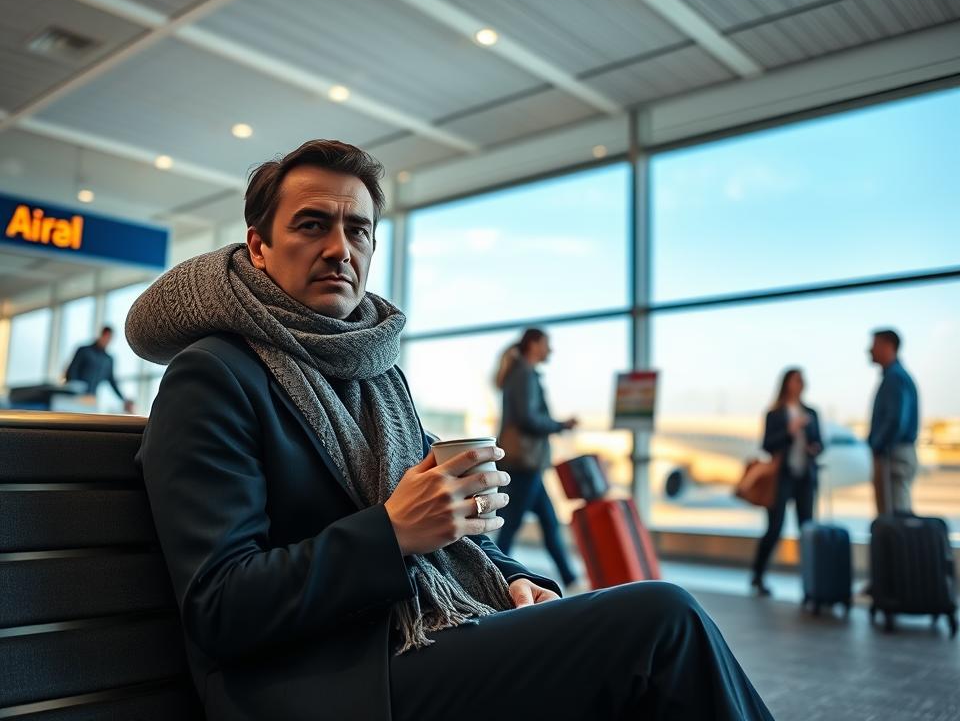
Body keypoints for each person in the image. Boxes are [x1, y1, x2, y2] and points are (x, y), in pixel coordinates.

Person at [129, 139, 773, 721]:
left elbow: (451, 541)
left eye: (359, 230)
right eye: (311, 225)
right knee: (660, 620)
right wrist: (389, 534)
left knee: (643, 646)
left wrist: (515, 578)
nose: (339, 249)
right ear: (258, 248)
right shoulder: (213, 375)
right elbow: (219, 607)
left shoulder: (377, 374)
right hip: (320, 681)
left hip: (421, 639)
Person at [494, 329, 579, 589]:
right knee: (510, 525)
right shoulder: (524, 374)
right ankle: (495, 574)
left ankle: (570, 578)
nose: (549, 350)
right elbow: (528, 418)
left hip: (527, 462)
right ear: (533, 344)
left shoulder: (521, 372)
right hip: (523, 462)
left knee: (549, 521)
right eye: (546, 344)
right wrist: (560, 425)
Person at [751, 368, 823, 597]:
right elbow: (767, 445)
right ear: (786, 384)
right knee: (774, 527)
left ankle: (812, 581)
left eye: (802, 380)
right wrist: (790, 431)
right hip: (781, 477)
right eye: (795, 380)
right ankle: (758, 576)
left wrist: (815, 447)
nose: (799, 384)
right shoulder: (775, 414)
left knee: (807, 528)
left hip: (805, 477)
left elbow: (820, 441)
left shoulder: (811, 412)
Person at [868, 328, 919, 515]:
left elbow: (896, 420)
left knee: (896, 518)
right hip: (894, 452)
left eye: (874, 345)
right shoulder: (895, 376)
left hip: (892, 455)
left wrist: (878, 445)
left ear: (888, 346)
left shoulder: (894, 377)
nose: (869, 350)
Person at [64, 326, 134, 413]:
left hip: (92, 398)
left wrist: (123, 399)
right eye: (106, 337)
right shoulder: (84, 351)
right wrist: (75, 391)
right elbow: (72, 371)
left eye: (110, 338)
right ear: (101, 335)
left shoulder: (108, 360)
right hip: (76, 396)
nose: (107, 340)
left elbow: (112, 382)